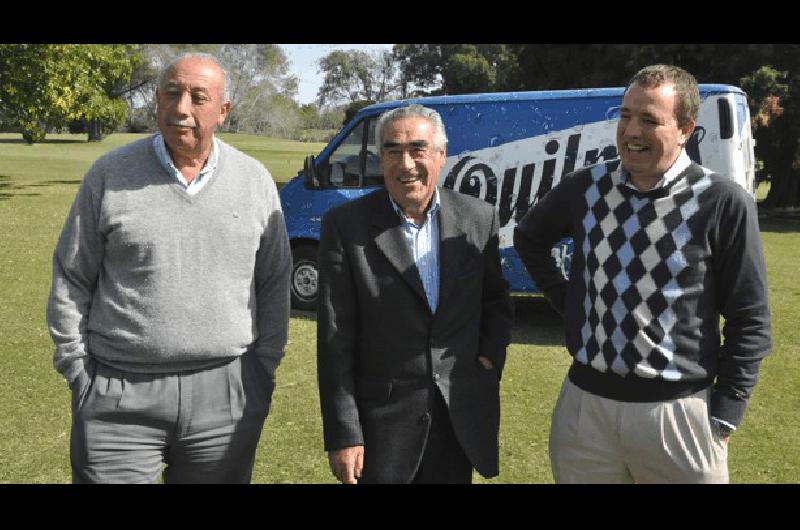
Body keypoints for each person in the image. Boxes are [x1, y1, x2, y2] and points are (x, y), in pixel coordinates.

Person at [514, 64, 772, 483]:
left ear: (686, 128)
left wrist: (727, 412)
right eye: (625, 115)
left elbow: (750, 319)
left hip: (679, 412)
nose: (631, 131)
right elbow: (529, 237)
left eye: (649, 120)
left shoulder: (722, 202)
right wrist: (570, 303)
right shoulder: (587, 188)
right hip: (585, 409)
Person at [47, 52, 292, 483]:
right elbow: (72, 276)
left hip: (226, 396)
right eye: (172, 94)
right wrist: (77, 369)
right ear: (157, 101)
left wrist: (261, 369)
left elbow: (273, 282)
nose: (182, 108)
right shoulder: (109, 173)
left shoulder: (254, 181)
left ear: (223, 111)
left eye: (199, 97)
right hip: (116, 398)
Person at [316, 104, 514, 484]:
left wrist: (489, 357)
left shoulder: (478, 218)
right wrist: (344, 433)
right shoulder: (346, 226)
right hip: (382, 428)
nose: (405, 164)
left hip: (458, 419)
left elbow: (495, 300)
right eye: (393, 151)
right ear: (380, 158)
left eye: (418, 150)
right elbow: (335, 340)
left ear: (441, 155)